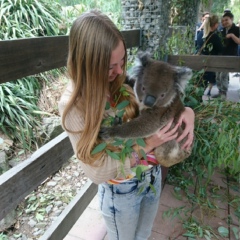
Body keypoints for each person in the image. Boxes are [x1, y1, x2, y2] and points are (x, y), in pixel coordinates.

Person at [58, 10, 195, 240]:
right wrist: (151, 143)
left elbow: (163, 100)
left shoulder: (120, 79)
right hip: (122, 189)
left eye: (123, 61)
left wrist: (189, 112)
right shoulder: (74, 106)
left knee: (143, 235)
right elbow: (98, 170)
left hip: (150, 177)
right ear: (88, 64)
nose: (121, 71)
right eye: (112, 66)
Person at [212, 12, 240, 99]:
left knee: (223, 75)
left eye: (226, 20)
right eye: (222, 21)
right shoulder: (222, 30)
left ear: (231, 19)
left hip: (230, 55)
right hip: (220, 55)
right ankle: (220, 91)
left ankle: (223, 93)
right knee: (217, 74)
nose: (224, 22)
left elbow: (239, 42)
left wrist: (232, 35)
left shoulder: (237, 29)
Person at [196, 15, 223, 95]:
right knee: (207, 81)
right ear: (216, 25)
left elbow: (197, 45)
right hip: (210, 64)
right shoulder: (215, 37)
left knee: (199, 83)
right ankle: (206, 94)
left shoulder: (200, 34)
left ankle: (197, 99)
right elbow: (221, 50)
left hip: (199, 62)